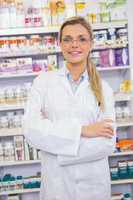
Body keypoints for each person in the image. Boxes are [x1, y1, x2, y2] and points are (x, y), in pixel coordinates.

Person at [23, 16, 116, 200]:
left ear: (91, 44)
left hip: (93, 187)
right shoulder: (43, 82)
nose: (75, 45)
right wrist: (83, 130)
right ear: (60, 44)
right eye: (67, 39)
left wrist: (57, 151)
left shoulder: (104, 89)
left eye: (82, 39)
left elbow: (106, 143)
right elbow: (31, 129)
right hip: (56, 187)